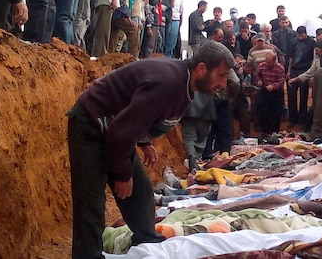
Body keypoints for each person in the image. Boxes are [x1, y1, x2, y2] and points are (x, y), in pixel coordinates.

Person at [67, 41, 234, 258]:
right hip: (90, 126)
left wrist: (144, 140)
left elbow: (138, 112)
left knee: (141, 192)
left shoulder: (183, 83)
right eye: (220, 75)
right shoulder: (168, 84)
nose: (222, 84)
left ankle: (147, 245)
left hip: (116, 131)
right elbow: (121, 130)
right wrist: (122, 173)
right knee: (91, 204)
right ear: (202, 68)